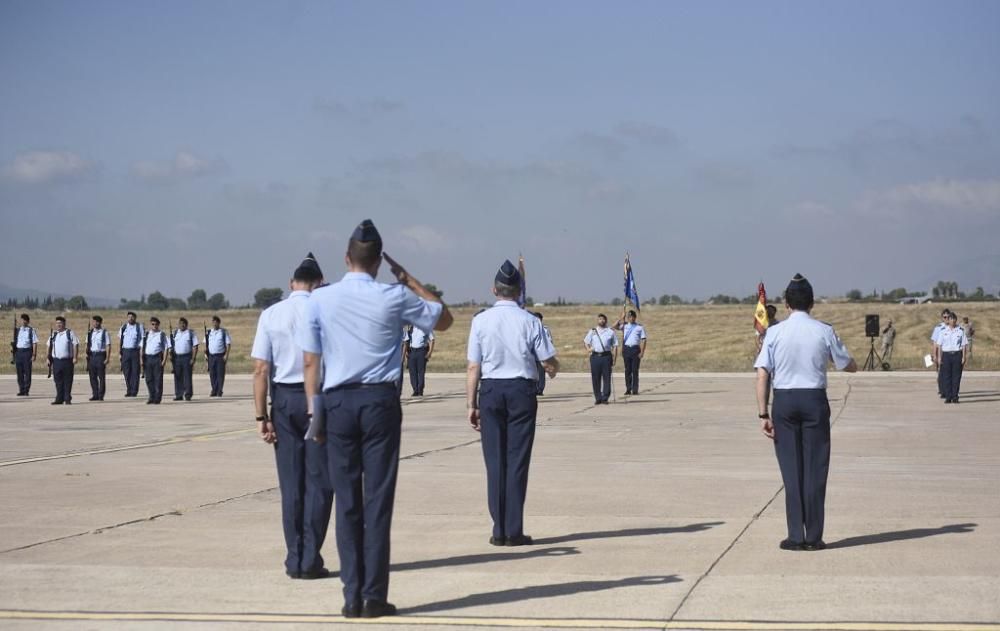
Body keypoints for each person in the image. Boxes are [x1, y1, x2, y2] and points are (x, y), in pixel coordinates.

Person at [299, 219, 452, 619]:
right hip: (380, 402)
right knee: (377, 502)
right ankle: (373, 596)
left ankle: (350, 596)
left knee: (347, 502)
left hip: (336, 403)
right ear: (378, 264)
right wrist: (410, 279)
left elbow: (310, 360)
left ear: (347, 258)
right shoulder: (394, 296)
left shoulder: (321, 299)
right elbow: (444, 318)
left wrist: (314, 414)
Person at [754, 274, 856, 551]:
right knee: (815, 468)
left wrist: (763, 414)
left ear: (786, 303)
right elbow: (846, 364)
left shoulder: (774, 333)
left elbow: (762, 374)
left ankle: (795, 536)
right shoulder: (824, 330)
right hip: (813, 400)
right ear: (811, 303)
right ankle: (813, 536)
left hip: (785, 401)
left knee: (791, 470)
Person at [251, 253, 333, 580]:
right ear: (319, 284)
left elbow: (260, 369)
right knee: (320, 483)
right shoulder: (325, 311)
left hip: (283, 400)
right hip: (318, 398)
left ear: (291, 283)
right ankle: (311, 558)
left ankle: (294, 557)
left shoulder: (270, 314)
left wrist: (261, 416)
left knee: (291, 484)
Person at [468, 261, 559, 548]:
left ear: (494, 290)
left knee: (495, 462)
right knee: (517, 461)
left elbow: (473, 367)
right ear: (519, 291)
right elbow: (547, 362)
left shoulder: (480, 320)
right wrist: (554, 367)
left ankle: (499, 529)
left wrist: (471, 404)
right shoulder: (531, 321)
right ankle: (514, 529)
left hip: (491, 390)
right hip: (521, 391)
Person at [583, 313, 618, 404]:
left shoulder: (610, 331)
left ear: (606, 321)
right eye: (599, 319)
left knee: (607, 378)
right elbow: (586, 341)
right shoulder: (593, 331)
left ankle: (605, 397)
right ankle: (598, 397)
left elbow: (615, 346)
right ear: (597, 321)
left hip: (606, 356)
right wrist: (589, 350)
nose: (601, 321)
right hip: (595, 357)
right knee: (595, 378)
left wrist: (614, 358)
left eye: (603, 319)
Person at [936, 312, 969, 404]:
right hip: (946, 355)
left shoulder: (960, 331)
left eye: (954, 319)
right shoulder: (943, 331)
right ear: (948, 320)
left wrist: (963, 357)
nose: (953, 321)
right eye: (951, 319)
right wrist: (939, 357)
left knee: (956, 377)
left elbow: (963, 345)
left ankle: (955, 396)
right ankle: (948, 396)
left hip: (957, 354)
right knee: (946, 377)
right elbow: (939, 345)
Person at [46, 316, 80, 405]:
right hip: (56, 361)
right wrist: (48, 358)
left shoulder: (70, 333)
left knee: (68, 380)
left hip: (67, 361)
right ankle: (59, 398)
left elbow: (75, 345)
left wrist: (75, 357)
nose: (58, 325)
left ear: (64, 324)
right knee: (57, 380)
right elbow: (49, 345)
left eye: (60, 323)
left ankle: (67, 398)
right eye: (57, 323)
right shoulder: (54, 334)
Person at [614, 309, 647, 396]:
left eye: (632, 317)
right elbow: (614, 326)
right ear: (627, 318)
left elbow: (644, 340)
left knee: (635, 370)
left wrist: (642, 352)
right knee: (627, 370)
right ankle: (628, 389)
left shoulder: (639, 327)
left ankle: (635, 389)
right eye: (629, 317)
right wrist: (621, 318)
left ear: (635, 317)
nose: (631, 318)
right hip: (627, 349)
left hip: (635, 349)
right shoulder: (624, 326)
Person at [142, 317, 171, 404]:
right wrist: (141, 360)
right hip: (148, 358)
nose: (154, 326)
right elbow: (142, 347)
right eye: (153, 324)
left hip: (157, 358)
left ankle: (157, 398)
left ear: (158, 325)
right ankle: (151, 396)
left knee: (158, 380)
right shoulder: (146, 334)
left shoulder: (162, 335)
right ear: (150, 324)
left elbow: (166, 348)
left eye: (156, 324)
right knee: (149, 379)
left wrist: (164, 361)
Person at [402, 324, 434, 397]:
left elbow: (432, 340)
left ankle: (420, 390)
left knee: (421, 372)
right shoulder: (410, 329)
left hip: (421, 351)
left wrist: (429, 353)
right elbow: (406, 341)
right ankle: (415, 390)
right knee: (412, 372)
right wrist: (406, 351)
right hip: (412, 351)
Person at [171, 317, 198, 401]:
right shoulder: (175, 333)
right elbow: (171, 346)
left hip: (187, 357)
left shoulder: (190, 333)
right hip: (177, 358)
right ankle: (179, 394)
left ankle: (188, 394)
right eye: (180, 323)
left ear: (186, 325)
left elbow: (195, 346)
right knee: (178, 376)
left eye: (183, 323)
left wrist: (193, 358)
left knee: (187, 376)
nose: (181, 325)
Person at [86, 315, 112, 401]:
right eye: (93, 321)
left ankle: (101, 395)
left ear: (100, 322)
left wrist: (107, 358)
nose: (95, 323)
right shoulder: (90, 333)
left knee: (101, 377)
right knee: (92, 377)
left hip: (101, 355)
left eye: (97, 322)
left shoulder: (104, 333)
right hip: (92, 356)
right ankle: (95, 394)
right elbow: (88, 344)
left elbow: (108, 346)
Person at [119, 312, 145, 397]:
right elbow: (121, 340)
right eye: (129, 317)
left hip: (135, 351)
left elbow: (142, 340)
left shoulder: (139, 327)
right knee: (126, 372)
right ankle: (129, 390)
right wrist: (120, 352)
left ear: (135, 318)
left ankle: (134, 391)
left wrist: (142, 352)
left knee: (135, 372)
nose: (130, 318)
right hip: (125, 351)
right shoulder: (124, 327)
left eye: (132, 317)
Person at [205, 316, 232, 397]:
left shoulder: (223, 332)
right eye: (213, 322)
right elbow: (206, 344)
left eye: (216, 322)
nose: (214, 323)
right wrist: (206, 356)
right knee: (212, 374)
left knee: (220, 374)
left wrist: (226, 355)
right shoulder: (209, 332)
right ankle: (214, 390)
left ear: (219, 323)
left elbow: (228, 344)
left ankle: (219, 390)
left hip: (220, 356)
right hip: (211, 356)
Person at [13, 313, 38, 396]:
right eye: (22, 320)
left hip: (27, 352)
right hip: (18, 352)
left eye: (25, 320)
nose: (23, 322)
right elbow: (15, 341)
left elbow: (34, 343)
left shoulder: (31, 330)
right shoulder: (17, 330)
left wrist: (34, 354)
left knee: (27, 372)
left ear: (28, 321)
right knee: (19, 373)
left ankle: (26, 390)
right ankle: (21, 389)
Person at [930, 309, 951, 398]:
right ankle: (942, 389)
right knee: (940, 372)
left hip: (950, 352)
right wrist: (935, 355)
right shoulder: (938, 328)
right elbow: (935, 343)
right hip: (940, 352)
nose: (946, 319)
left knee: (949, 372)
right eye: (945, 317)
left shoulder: (953, 327)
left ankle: (947, 389)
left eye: (948, 317)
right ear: (942, 318)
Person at [532, 312, 554, 396]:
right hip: (533, 354)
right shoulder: (530, 329)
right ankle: (534, 388)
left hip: (542, 354)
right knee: (533, 372)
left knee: (541, 372)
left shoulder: (545, 329)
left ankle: (540, 389)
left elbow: (550, 341)